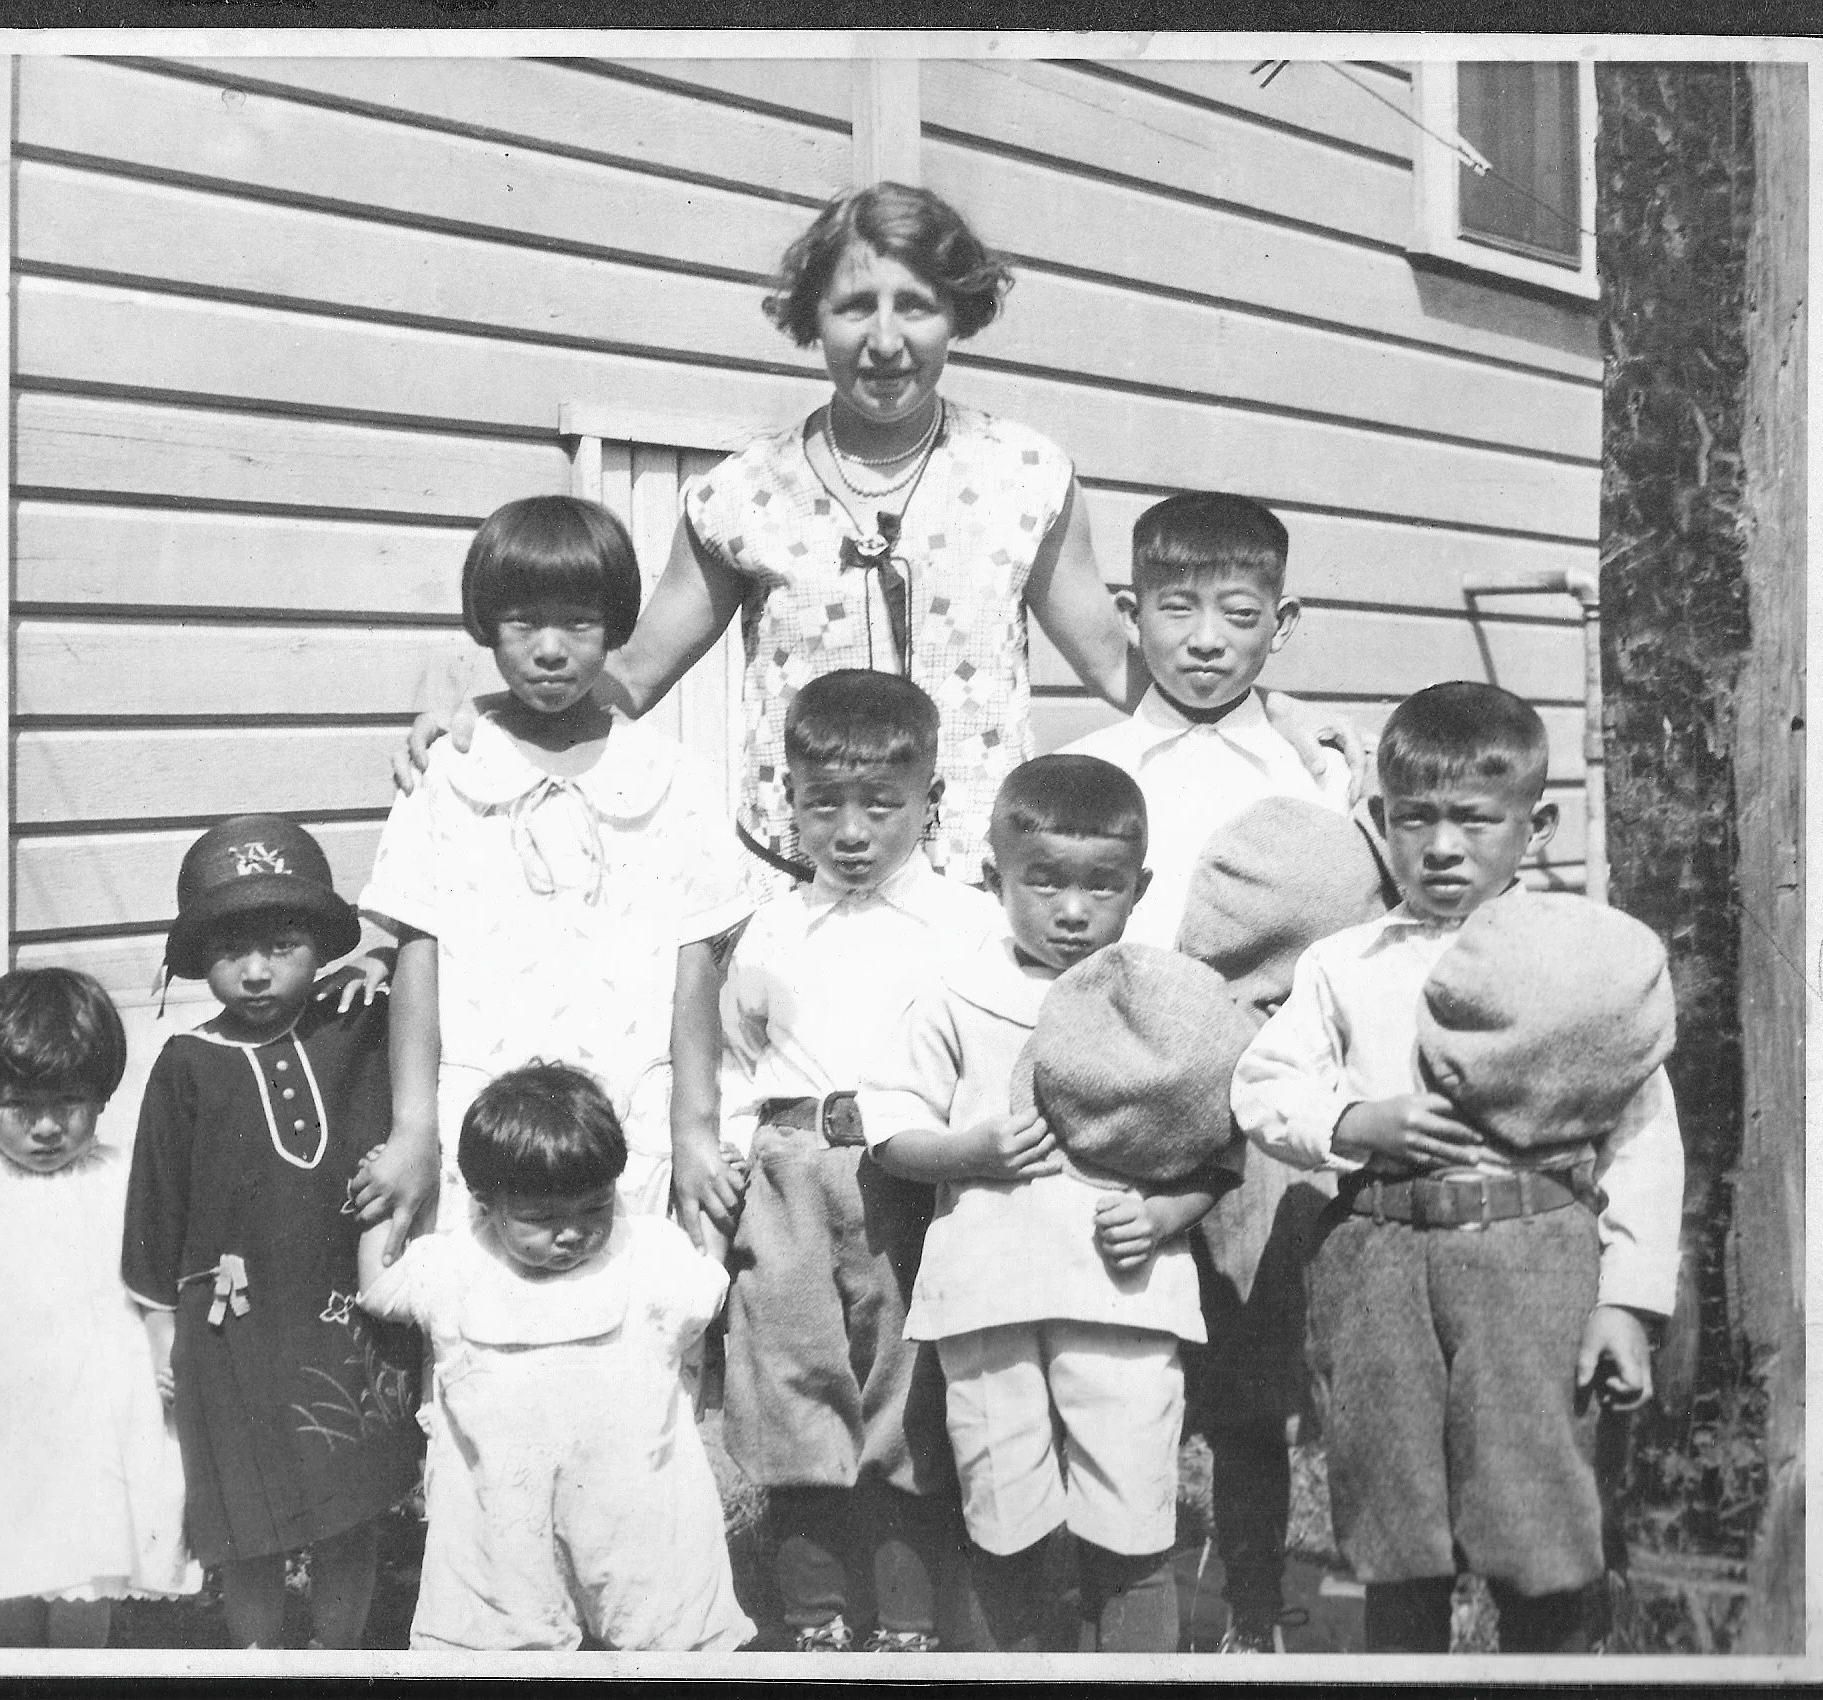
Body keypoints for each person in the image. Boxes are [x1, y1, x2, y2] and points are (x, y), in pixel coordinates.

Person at [394, 184, 1345, 895]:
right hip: (797, 868)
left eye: (916, 305)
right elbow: (631, 675)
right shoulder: (743, 492)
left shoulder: (1024, 473)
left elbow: (1118, 663)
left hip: (977, 873)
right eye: (855, 307)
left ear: (957, 316)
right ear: (813, 317)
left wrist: (1277, 715)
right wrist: (468, 692)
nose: (885, 340)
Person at [1231, 681, 1685, 1653]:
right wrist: (1355, 1117)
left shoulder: (1577, 958)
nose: (1441, 846)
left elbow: (1642, 1134)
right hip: (1377, 1257)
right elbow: (1262, 1086)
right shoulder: (1343, 962)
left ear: (1534, 823)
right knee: (1393, 1512)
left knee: (1534, 1509)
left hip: (1532, 1259)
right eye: (1413, 819)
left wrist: (1625, 1302)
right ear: (1376, 819)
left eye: (1474, 820)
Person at [860, 755, 1242, 1653]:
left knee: (1131, 1513)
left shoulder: (1167, 1000)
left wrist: (1165, 1215)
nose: (1072, 911)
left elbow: (1224, 1141)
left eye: (1101, 886)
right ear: (995, 878)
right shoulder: (955, 995)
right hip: (989, 1297)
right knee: (1003, 1510)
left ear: (1139, 888)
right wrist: (964, 1150)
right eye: (1044, 883)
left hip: (1124, 1293)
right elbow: (888, 1125)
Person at [1059, 490, 1353, 1650]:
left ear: (1282, 623)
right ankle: (1110, 1609)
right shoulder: (1092, 763)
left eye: (1238, 613)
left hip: (1255, 1098)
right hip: (1120, 1095)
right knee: (1113, 1359)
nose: (1203, 637)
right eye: (1174, 608)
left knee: (1245, 1380)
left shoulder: (1312, 773)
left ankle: (1255, 1612)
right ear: (1129, 612)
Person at [355, 495, 750, 1230]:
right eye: (523, 622)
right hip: (480, 1114)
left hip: (630, 1113)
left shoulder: (672, 778)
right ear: (485, 624)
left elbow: (697, 967)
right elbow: (419, 953)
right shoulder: (447, 772)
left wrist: (695, 1131)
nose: (549, 648)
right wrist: (412, 1129)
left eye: (578, 622)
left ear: (616, 624)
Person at [714, 669, 1000, 1651]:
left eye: (879, 806)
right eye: (819, 804)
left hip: (904, 1177)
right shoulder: (773, 922)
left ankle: (911, 1621)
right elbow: (732, 1059)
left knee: (905, 1391)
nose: (848, 831)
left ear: (930, 801)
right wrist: (720, 1154)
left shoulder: (967, 925)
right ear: (786, 800)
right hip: (787, 1170)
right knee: (791, 1388)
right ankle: (815, 1618)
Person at [123, 815, 425, 1649]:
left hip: (343, 1318)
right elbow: (155, 1210)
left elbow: (441, 956)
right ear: (199, 960)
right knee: (243, 1526)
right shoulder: (186, 1064)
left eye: (283, 945)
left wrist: (383, 957)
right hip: (234, 1333)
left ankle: (340, 1655)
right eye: (230, 953)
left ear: (321, 947)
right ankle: (254, 1662)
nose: (256, 971)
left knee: (349, 1511)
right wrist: (159, 1331)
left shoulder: (358, 1023)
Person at [356, 1062, 752, 1652]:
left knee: (669, 1630)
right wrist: (383, 1203)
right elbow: (381, 1288)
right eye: (541, 1220)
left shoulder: (645, 1254)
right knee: (501, 1641)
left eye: (593, 1208)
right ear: (486, 1202)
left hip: (635, 1512)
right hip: (503, 1517)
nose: (572, 1234)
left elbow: (708, 1282)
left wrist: (714, 1196)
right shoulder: (456, 1266)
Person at [0, 968, 200, 1646]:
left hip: (97, 1424)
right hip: (3, 1429)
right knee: (7, 1560)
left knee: (92, 1558)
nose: (49, 1126)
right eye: (20, 1107)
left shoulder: (126, 1181)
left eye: (70, 1101)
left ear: (103, 1093)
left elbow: (161, 1278)